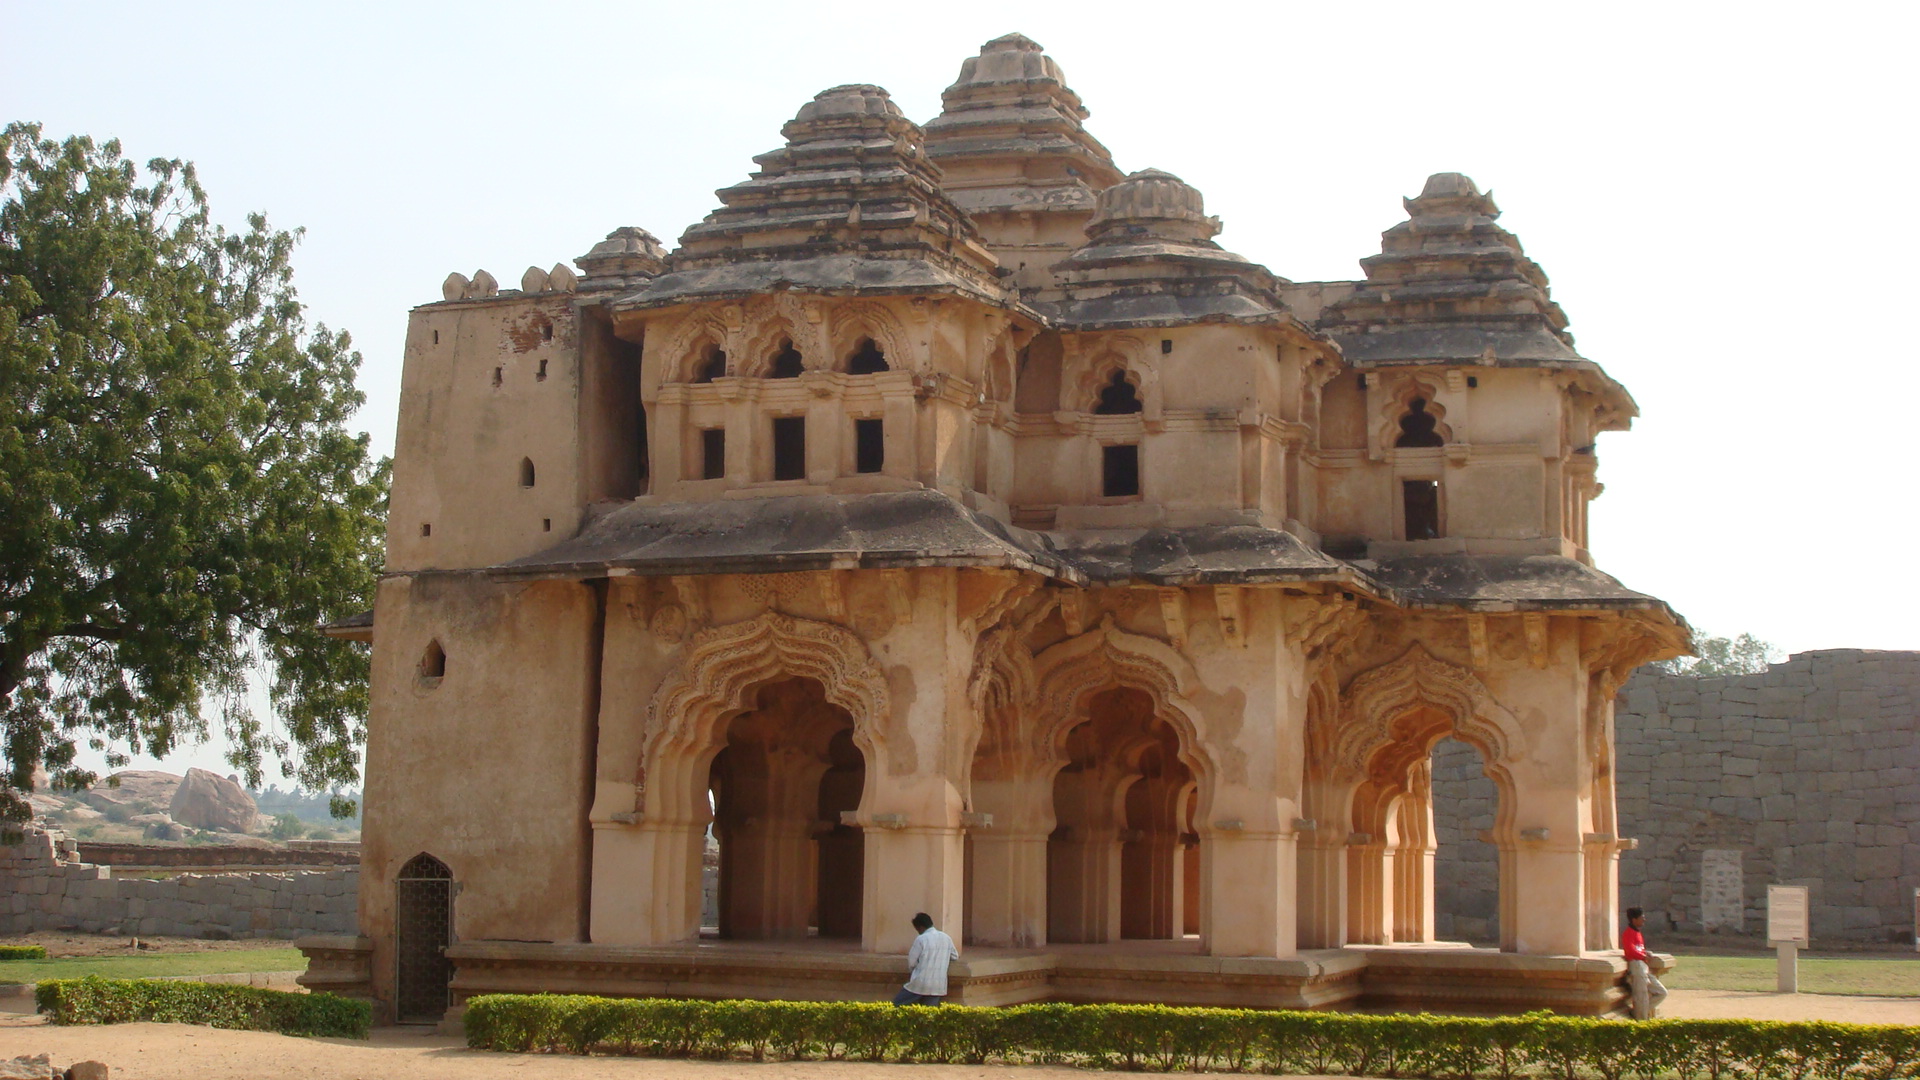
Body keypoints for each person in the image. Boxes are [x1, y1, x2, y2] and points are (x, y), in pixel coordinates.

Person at [893, 912, 958, 1006]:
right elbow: (954, 956)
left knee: (896, 1005)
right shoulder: (946, 938)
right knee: (928, 1015)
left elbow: (912, 963)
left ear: (920, 927)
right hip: (938, 985)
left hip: (920, 983)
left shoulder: (921, 939)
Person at [1622, 906, 1668, 1019]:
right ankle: (1640, 1020)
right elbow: (1630, 951)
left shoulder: (1637, 933)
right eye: (1642, 917)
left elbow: (1638, 948)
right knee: (1641, 996)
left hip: (1643, 966)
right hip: (1636, 965)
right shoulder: (1628, 933)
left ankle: (1637, 1013)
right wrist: (1643, 955)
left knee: (1661, 992)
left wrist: (1645, 953)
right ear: (1634, 919)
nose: (1644, 920)